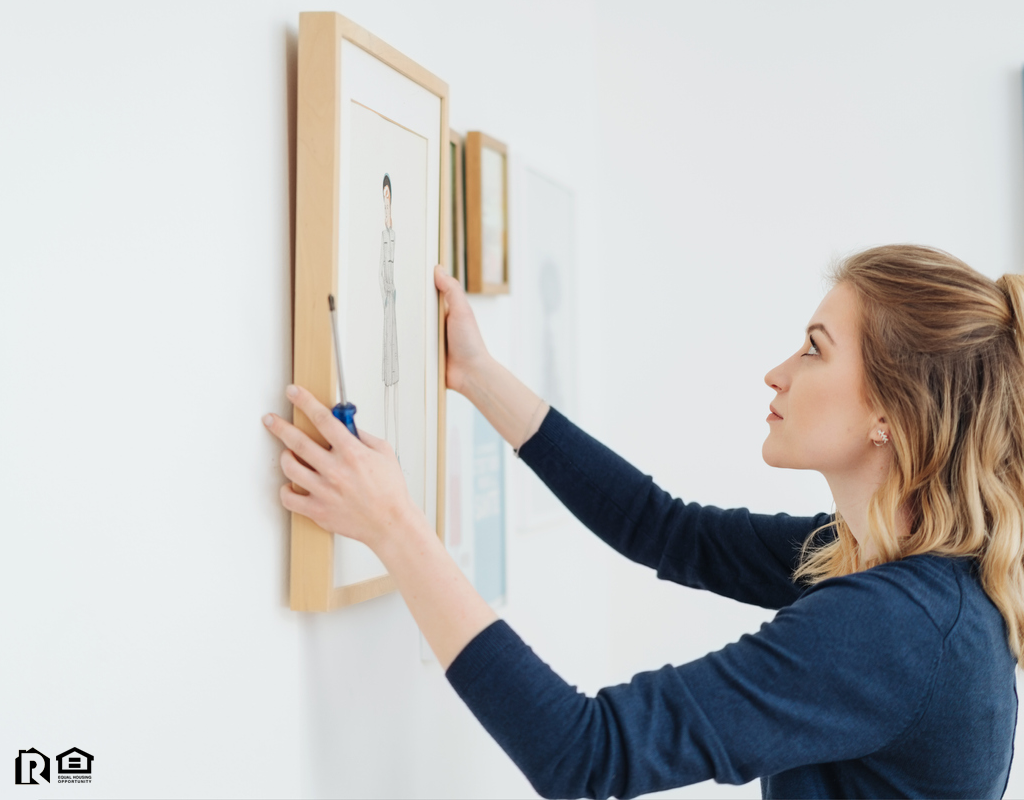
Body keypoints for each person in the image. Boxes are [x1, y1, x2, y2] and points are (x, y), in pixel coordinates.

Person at [263, 245, 1021, 799]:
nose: (778, 372)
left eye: (814, 350)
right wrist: (479, 377)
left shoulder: (897, 629)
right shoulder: (894, 573)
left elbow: (583, 754)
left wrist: (396, 528)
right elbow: (664, 528)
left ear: (892, 413)